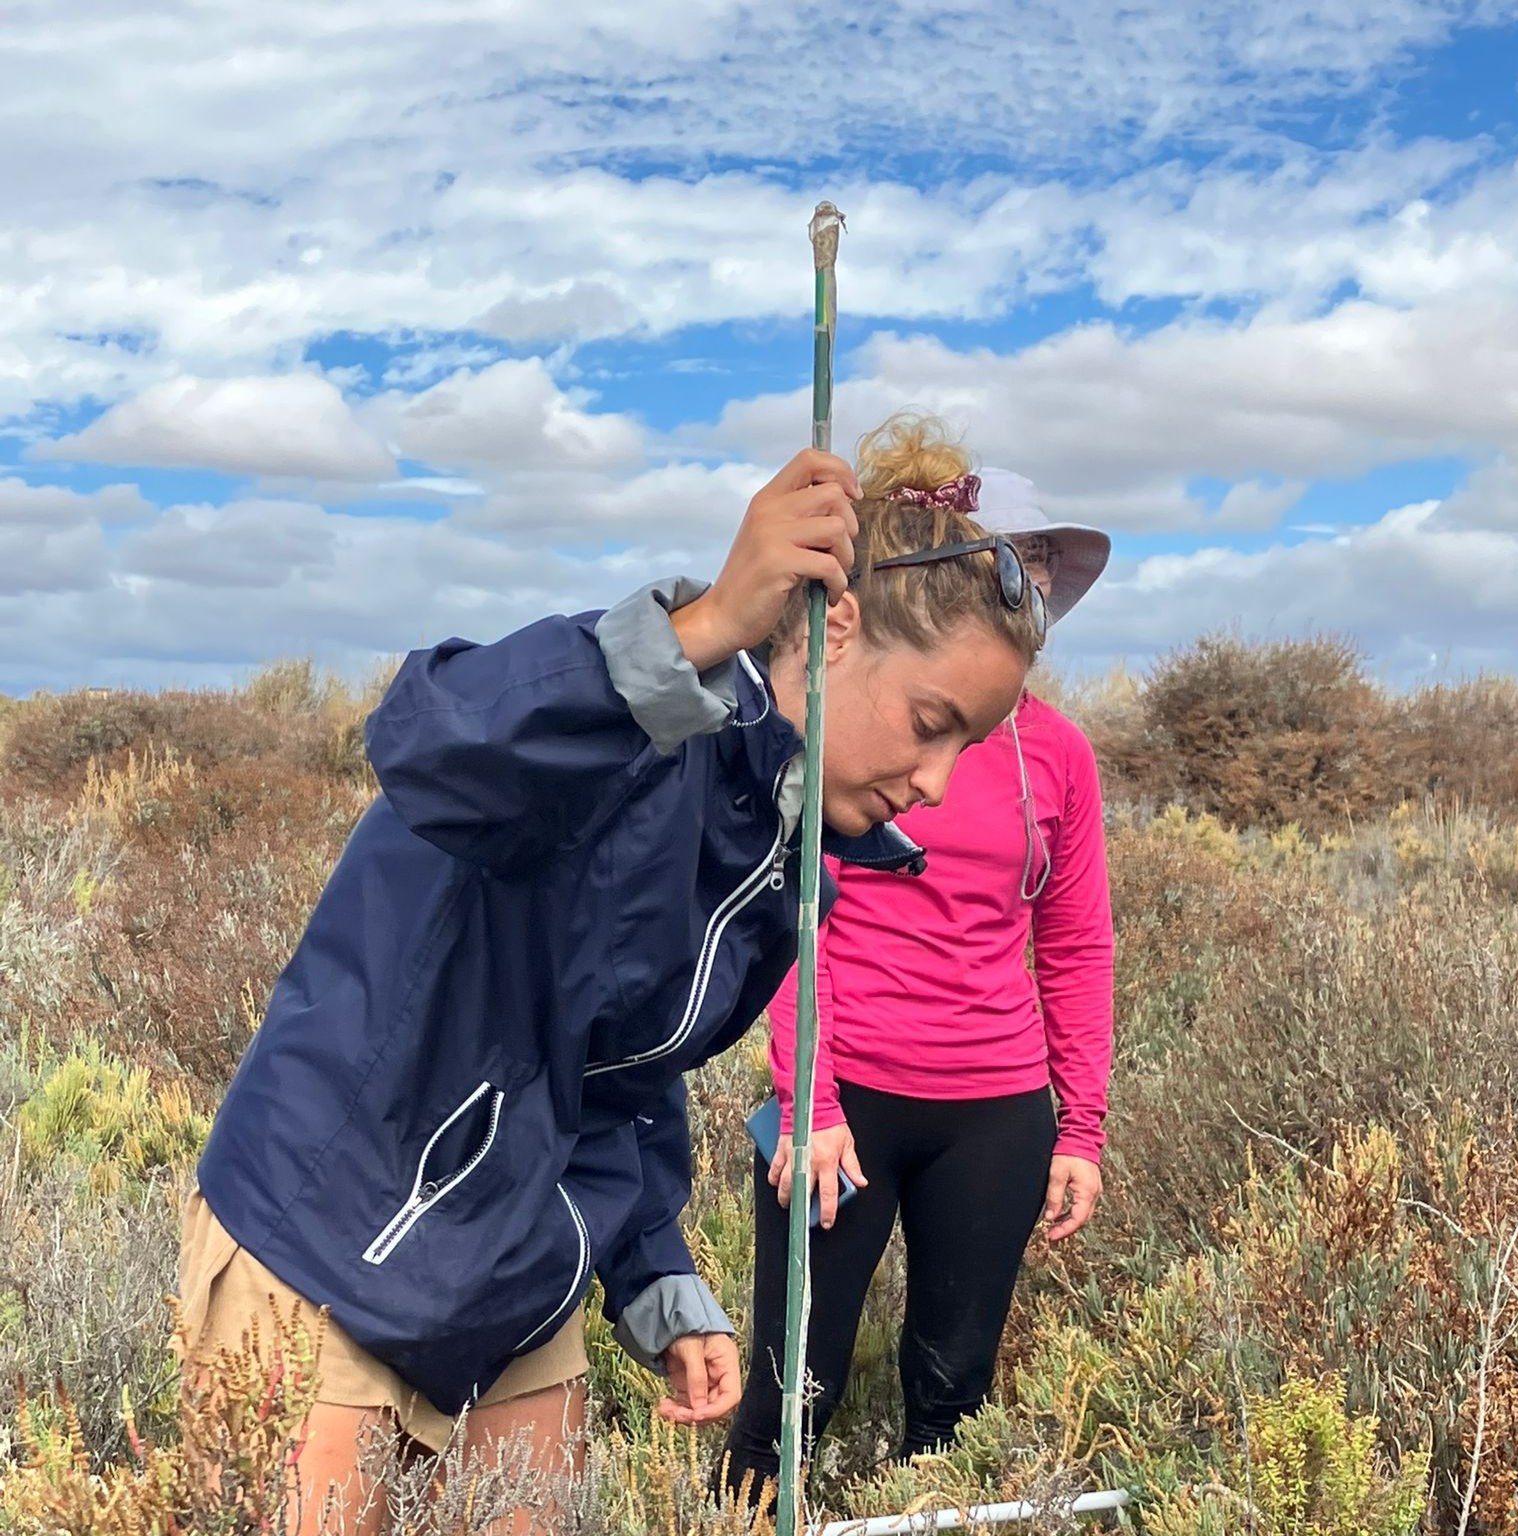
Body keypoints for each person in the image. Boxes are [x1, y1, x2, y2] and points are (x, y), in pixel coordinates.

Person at [179, 424, 1042, 1535]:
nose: (935, 783)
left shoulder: (779, 854)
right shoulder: (635, 721)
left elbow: (615, 1070)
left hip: (515, 1263)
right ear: (836, 631)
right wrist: (703, 630)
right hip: (324, 1234)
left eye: (966, 750)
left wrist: (654, 1279)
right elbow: (429, 745)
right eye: (932, 725)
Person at [721, 437, 1116, 1511]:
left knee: (954, 1396)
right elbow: (797, 915)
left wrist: (1080, 1126)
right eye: (1011, 557)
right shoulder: (854, 720)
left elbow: (1075, 945)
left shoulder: (1059, 757)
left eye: (1038, 568)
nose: (1027, 583)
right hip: (843, 1107)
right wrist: (811, 1097)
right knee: (790, 1390)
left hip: (994, 1112)